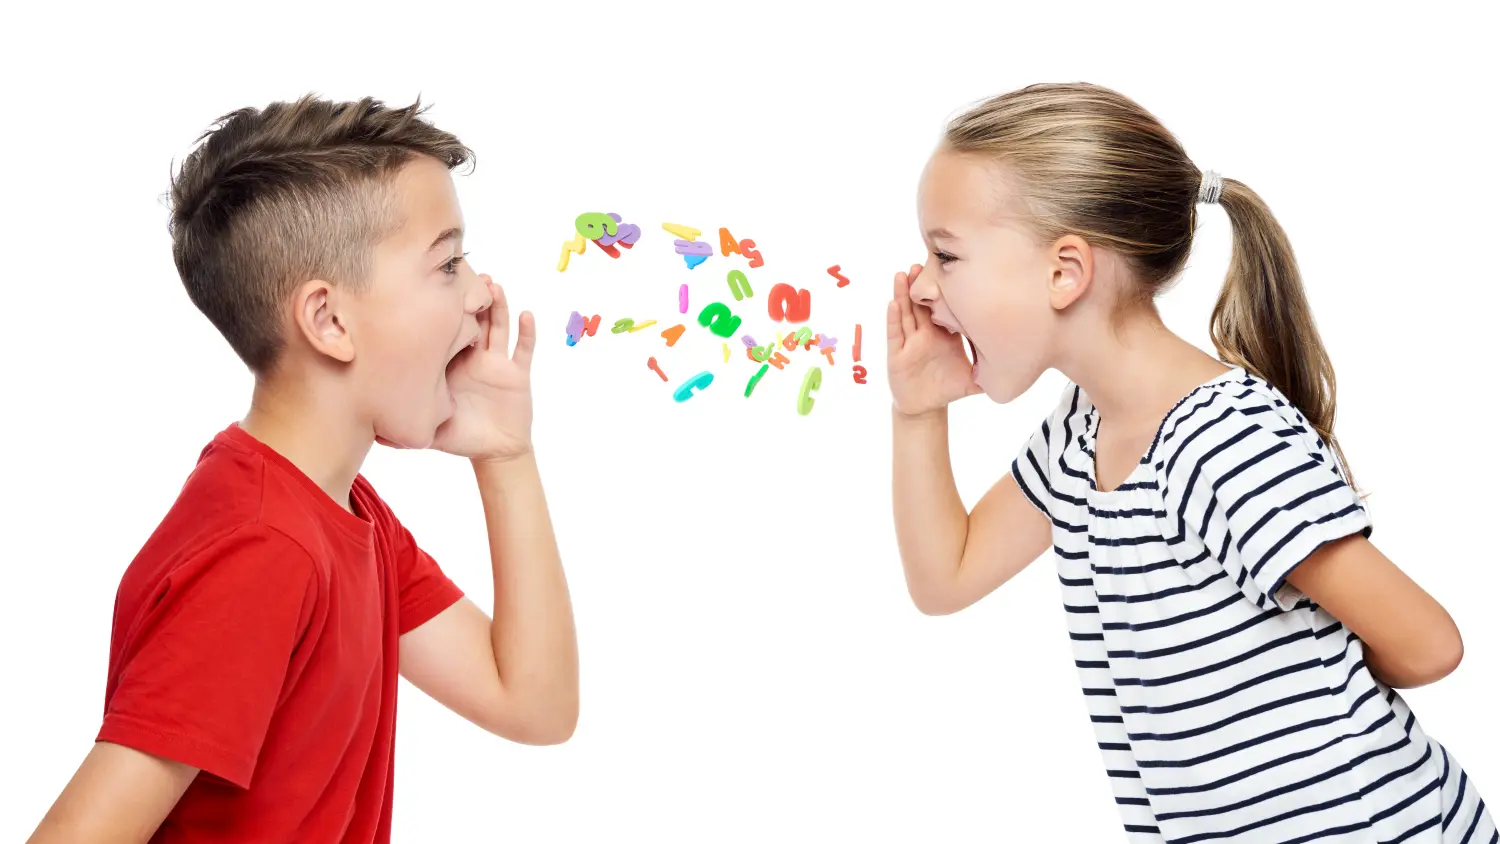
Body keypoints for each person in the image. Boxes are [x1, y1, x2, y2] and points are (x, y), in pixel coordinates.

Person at [887, 81, 1494, 842]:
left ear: (1065, 272)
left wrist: (1293, 708)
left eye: (944, 254)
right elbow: (947, 575)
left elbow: (1429, 643)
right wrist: (918, 409)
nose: (918, 284)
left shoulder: (1222, 439)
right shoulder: (1081, 434)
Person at [28, 94, 579, 843]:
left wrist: (505, 456)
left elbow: (535, 704)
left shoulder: (352, 517)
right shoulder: (262, 551)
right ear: (328, 321)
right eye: (447, 263)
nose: (482, 292)